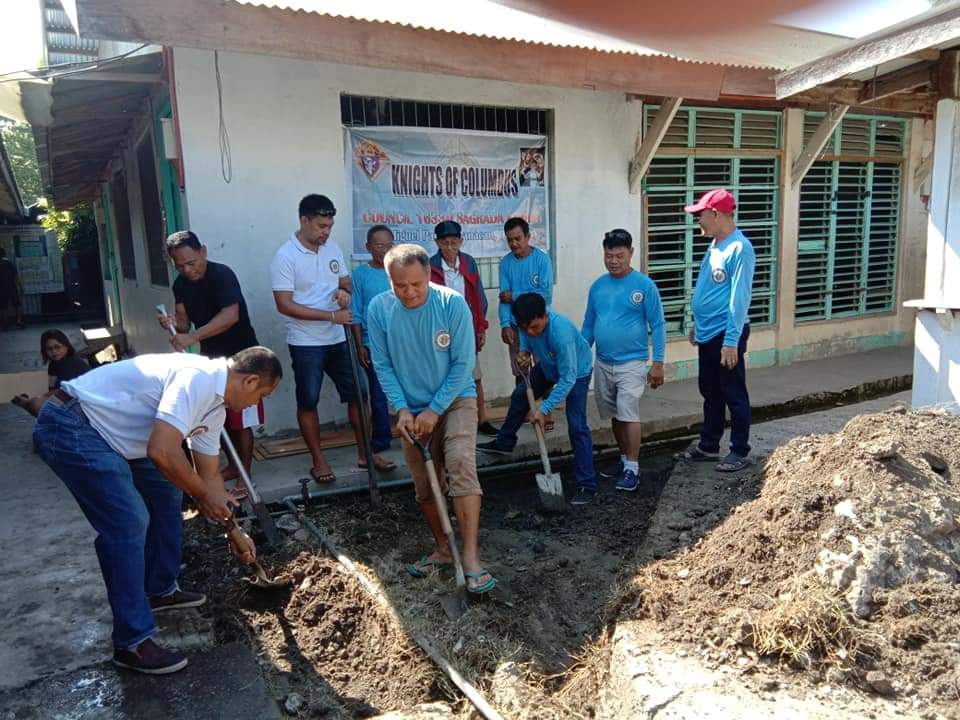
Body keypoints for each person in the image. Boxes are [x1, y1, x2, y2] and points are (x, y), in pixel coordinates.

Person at [32, 346, 281, 675]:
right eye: (262, 394)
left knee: (167, 492)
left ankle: (159, 589)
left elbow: (209, 480)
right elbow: (162, 451)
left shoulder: (215, 407)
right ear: (250, 381)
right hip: (73, 425)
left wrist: (234, 530)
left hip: (119, 437)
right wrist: (202, 494)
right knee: (128, 523)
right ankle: (132, 643)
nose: (257, 403)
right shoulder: (198, 379)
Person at [367, 244, 496, 594]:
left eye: (416, 285)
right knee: (425, 483)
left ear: (429, 276)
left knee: (459, 464)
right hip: (410, 407)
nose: (408, 293)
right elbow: (382, 364)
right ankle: (443, 548)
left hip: (455, 399)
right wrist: (403, 409)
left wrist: (434, 409)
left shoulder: (452, 304)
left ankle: (470, 556)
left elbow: (462, 364)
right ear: (389, 280)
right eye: (400, 286)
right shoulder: (379, 309)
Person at [271, 194, 392, 484]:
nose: (326, 232)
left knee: (360, 394)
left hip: (338, 339)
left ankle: (366, 454)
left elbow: (345, 283)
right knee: (309, 400)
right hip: (305, 342)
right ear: (304, 221)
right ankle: (319, 461)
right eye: (321, 225)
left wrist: (344, 294)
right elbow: (284, 304)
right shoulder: (285, 256)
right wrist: (330, 317)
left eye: (330, 226)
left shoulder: (333, 249)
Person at [159, 230, 262, 485]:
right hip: (212, 361)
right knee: (220, 417)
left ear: (203, 251)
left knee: (241, 421)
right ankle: (234, 464)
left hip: (242, 358)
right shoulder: (180, 285)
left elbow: (230, 316)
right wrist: (171, 323)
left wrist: (191, 338)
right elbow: (183, 323)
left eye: (191, 263)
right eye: (179, 265)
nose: (186, 270)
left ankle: (244, 474)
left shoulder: (222, 275)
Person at [479, 293, 596, 505]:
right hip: (549, 366)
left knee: (577, 425)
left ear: (545, 315)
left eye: (535, 327)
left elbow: (568, 379)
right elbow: (526, 340)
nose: (530, 332)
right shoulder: (526, 326)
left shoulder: (561, 334)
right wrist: (524, 353)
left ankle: (587, 484)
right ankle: (505, 442)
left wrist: (544, 408)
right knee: (520, 394)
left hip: (577, 372)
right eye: (525, 328)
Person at [674, 189, 756, 473]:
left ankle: (739, 450)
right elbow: (708, 289)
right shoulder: (715, 245)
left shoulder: (739, 248)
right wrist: (698, 323)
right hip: (709, 332)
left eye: (701, 214)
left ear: (717, 214)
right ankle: (709, 446)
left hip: (726, 333)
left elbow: (738, 298)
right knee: (710, 391)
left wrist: (731, 341)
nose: (698, 220)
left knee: (733, 392)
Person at [582, 229, 666, 493]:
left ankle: (633, 468)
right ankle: (623, 460)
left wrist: (658, 362)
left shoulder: (644, 286)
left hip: (632, 362)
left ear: (631, 253)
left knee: (628, 411)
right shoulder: (597, 286)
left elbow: (659, 324)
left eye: (619, 255)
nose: (614, 260)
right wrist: (578, 354)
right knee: (615, 414)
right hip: (603, 362)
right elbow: (588, 325)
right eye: (609, 255)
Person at [429, 219, 498, 436]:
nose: (449, 247)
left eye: (453, 242)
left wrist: (481, 328)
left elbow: (479, 298)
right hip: (441, 331)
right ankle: (446, 422)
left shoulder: (468, 262)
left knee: (474, 375)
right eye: (445, 243)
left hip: (467, 329)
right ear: (437, 243)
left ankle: (481, 419)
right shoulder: (430, 266)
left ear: (461, 241)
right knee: (443, 376)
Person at [350, 224, 396, 457]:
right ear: (368, 247)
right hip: (372, 343)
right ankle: (381, 438)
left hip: (401, 341)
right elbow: (355, 313)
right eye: (380, 245)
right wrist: (360, 346)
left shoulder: (399, 271)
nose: (385, 250)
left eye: (390, 245)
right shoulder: (360, 275)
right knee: (378, 393)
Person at [498, 217, 553, 385]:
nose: (514, 243)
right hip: (516, 326)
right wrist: (505, 324)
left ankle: (544, 410)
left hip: (539, 325)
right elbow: (503, 297)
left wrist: (514, 296)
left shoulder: (542, 260)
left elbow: (545, 295)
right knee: (520, 372)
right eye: (509, 240)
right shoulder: (505, 263)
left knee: (544, 370)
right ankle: (524, 408)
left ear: (528, 237)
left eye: (517, 238)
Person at [12, 329, 90, 417]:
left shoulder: (72, 363)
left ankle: (25, 402)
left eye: (57, 347)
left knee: (38, 405)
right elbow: (52, 386)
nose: (54, 351)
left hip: (82, 404)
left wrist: (38, 398)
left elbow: (62, 391)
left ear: (66, 346)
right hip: (67, 399)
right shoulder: (54, 363)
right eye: (49, 349)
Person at [0, 247, 25, 330]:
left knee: (3, 307)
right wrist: (21, 287)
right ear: (4, 253)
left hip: (2, 288)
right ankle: (19, 320)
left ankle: (5, 323)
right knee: (17, 304)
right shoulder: (9, 263)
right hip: (12, 287)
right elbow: (16, 276)